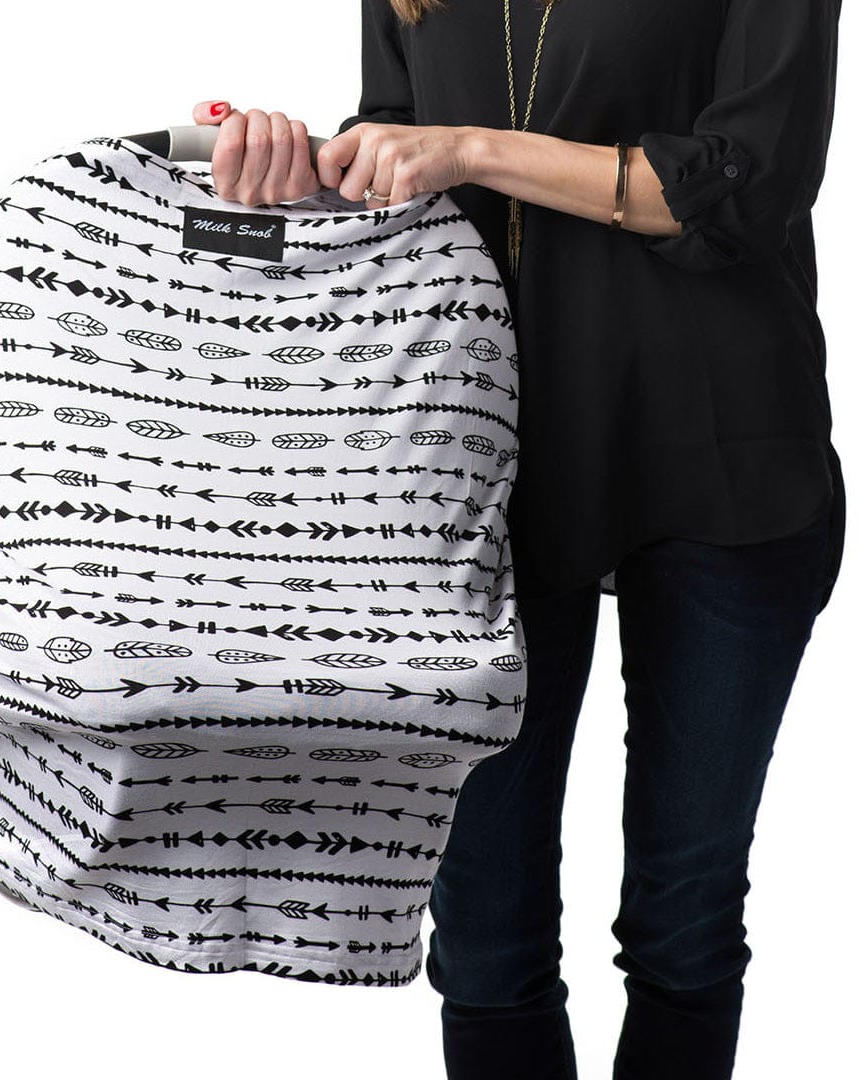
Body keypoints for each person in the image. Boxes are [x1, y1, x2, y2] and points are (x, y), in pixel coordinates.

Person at [189, 0, 847, 1075]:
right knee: (485, 934)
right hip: (478, 466)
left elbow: (744, 183)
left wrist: (472, 150)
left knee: (683, 920)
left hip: (721, 452)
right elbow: (400, 156)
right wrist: (297, 166)